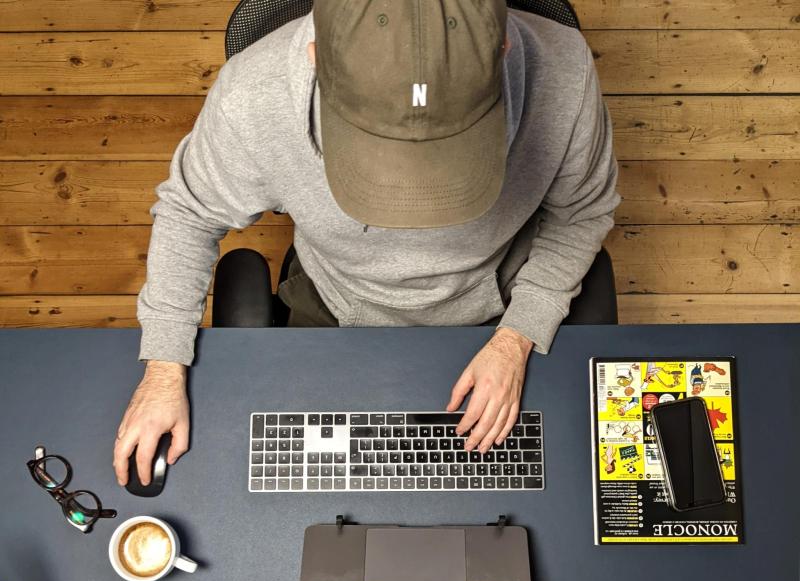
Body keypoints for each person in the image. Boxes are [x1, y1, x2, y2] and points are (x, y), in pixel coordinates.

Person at [113, 0, 620, 486]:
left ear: (503, 46)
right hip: (336, 302)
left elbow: (583, 212)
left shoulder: (565, 71)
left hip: (501, 304)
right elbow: (189, 212)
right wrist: (163, 370)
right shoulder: (253, 95)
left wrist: (516, 336)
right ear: (316, 53)